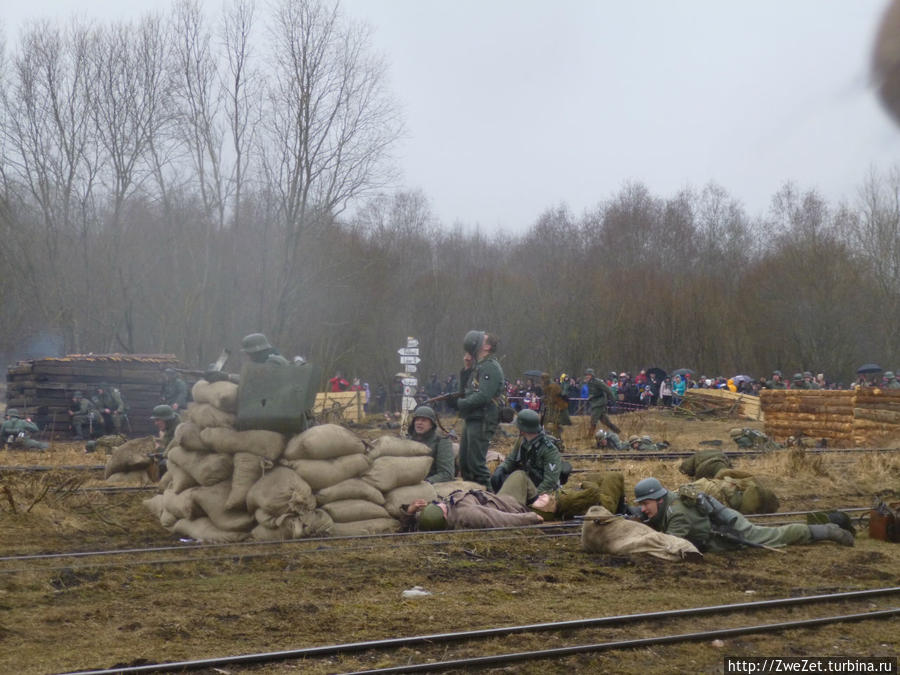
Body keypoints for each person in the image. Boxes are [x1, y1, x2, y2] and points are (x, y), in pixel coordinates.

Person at [633, 477, 854, 552]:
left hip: (729, 528)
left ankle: (828, 530)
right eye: (641, 505)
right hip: (718, 522)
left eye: (646, 503)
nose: (644, 509)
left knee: (774, 536)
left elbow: (668, 547)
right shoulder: (667, 503)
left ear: (660, 499)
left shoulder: (676, 514)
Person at [455, 330, 504, 487]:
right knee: (465, 464)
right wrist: (467, 368)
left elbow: (483, 395)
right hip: (473, 418)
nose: (477, 339)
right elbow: (466, 391)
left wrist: (460, 404)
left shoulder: (490, 367)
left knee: (476, 465)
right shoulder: (479, 366)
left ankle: (488, 498)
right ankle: (473, 496)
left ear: (487, 347)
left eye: (482, 339)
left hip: (483, 419)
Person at [489, 409, 561, 510]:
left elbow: (550, 481)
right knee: (501, 478)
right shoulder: (522, 441)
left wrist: (534, 497)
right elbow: (511, 459)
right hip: (525, 481)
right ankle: (501, 503)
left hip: (538, 489)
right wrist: (501, 469)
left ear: (523, 429)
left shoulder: (549, 450)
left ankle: (503, 505)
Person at [400, 489, 544, 531]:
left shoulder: (430, 518)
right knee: (521, 476)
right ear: (444, 516)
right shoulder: (467, 515)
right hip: (513, 504)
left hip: (497, 495)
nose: (442, 504)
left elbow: (411, 526)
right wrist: (530, 518)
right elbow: (498, 519)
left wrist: (410, 512)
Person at [407, 405, 455, 484]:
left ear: (431, 424)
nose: (419, 423)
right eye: (417, 420)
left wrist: (426, 482)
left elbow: (446, 474)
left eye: (424, 420)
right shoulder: (408, 440)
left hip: (432, 483)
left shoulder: (442, 441)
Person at [584, 368, 620, 435]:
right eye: (586, 375)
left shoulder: (597, 382)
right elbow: (593, 392)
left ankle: (589, 436)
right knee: (605, 421)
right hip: (595, 403)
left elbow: (607, 389)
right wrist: (590, 397)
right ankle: (617, 431)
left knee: (593, 420)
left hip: (600, 403)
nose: (587, 376)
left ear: (592, 375)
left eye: (589, 375)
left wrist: (613, 399)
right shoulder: (589, 383)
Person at [539, 372, 570, 447]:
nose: (542, 381)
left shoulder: (552, 386)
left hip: (555, 409)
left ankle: (558, 443)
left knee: (553, 426)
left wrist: (545, 399)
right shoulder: (546, 386)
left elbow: (553, 398)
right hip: (549, 409)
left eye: (543, 379)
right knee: (546, 426)